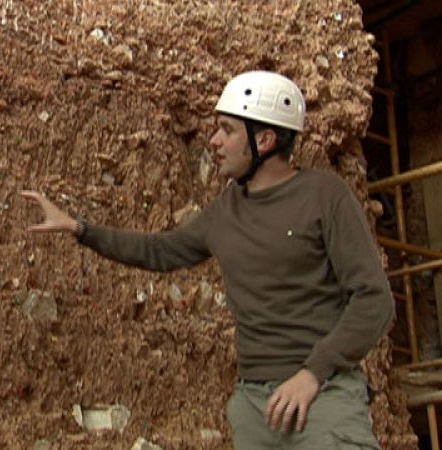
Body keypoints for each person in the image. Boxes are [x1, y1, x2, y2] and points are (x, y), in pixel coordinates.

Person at [21, 71, 394, 449]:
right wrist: (79, 228)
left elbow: (374, 300)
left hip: (322, 393)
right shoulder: (224, 212)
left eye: (227, 130)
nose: (214, 141)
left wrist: (313, 373)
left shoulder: (324, 196)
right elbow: (159, 251)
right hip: (255, 406)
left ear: (264, 140)